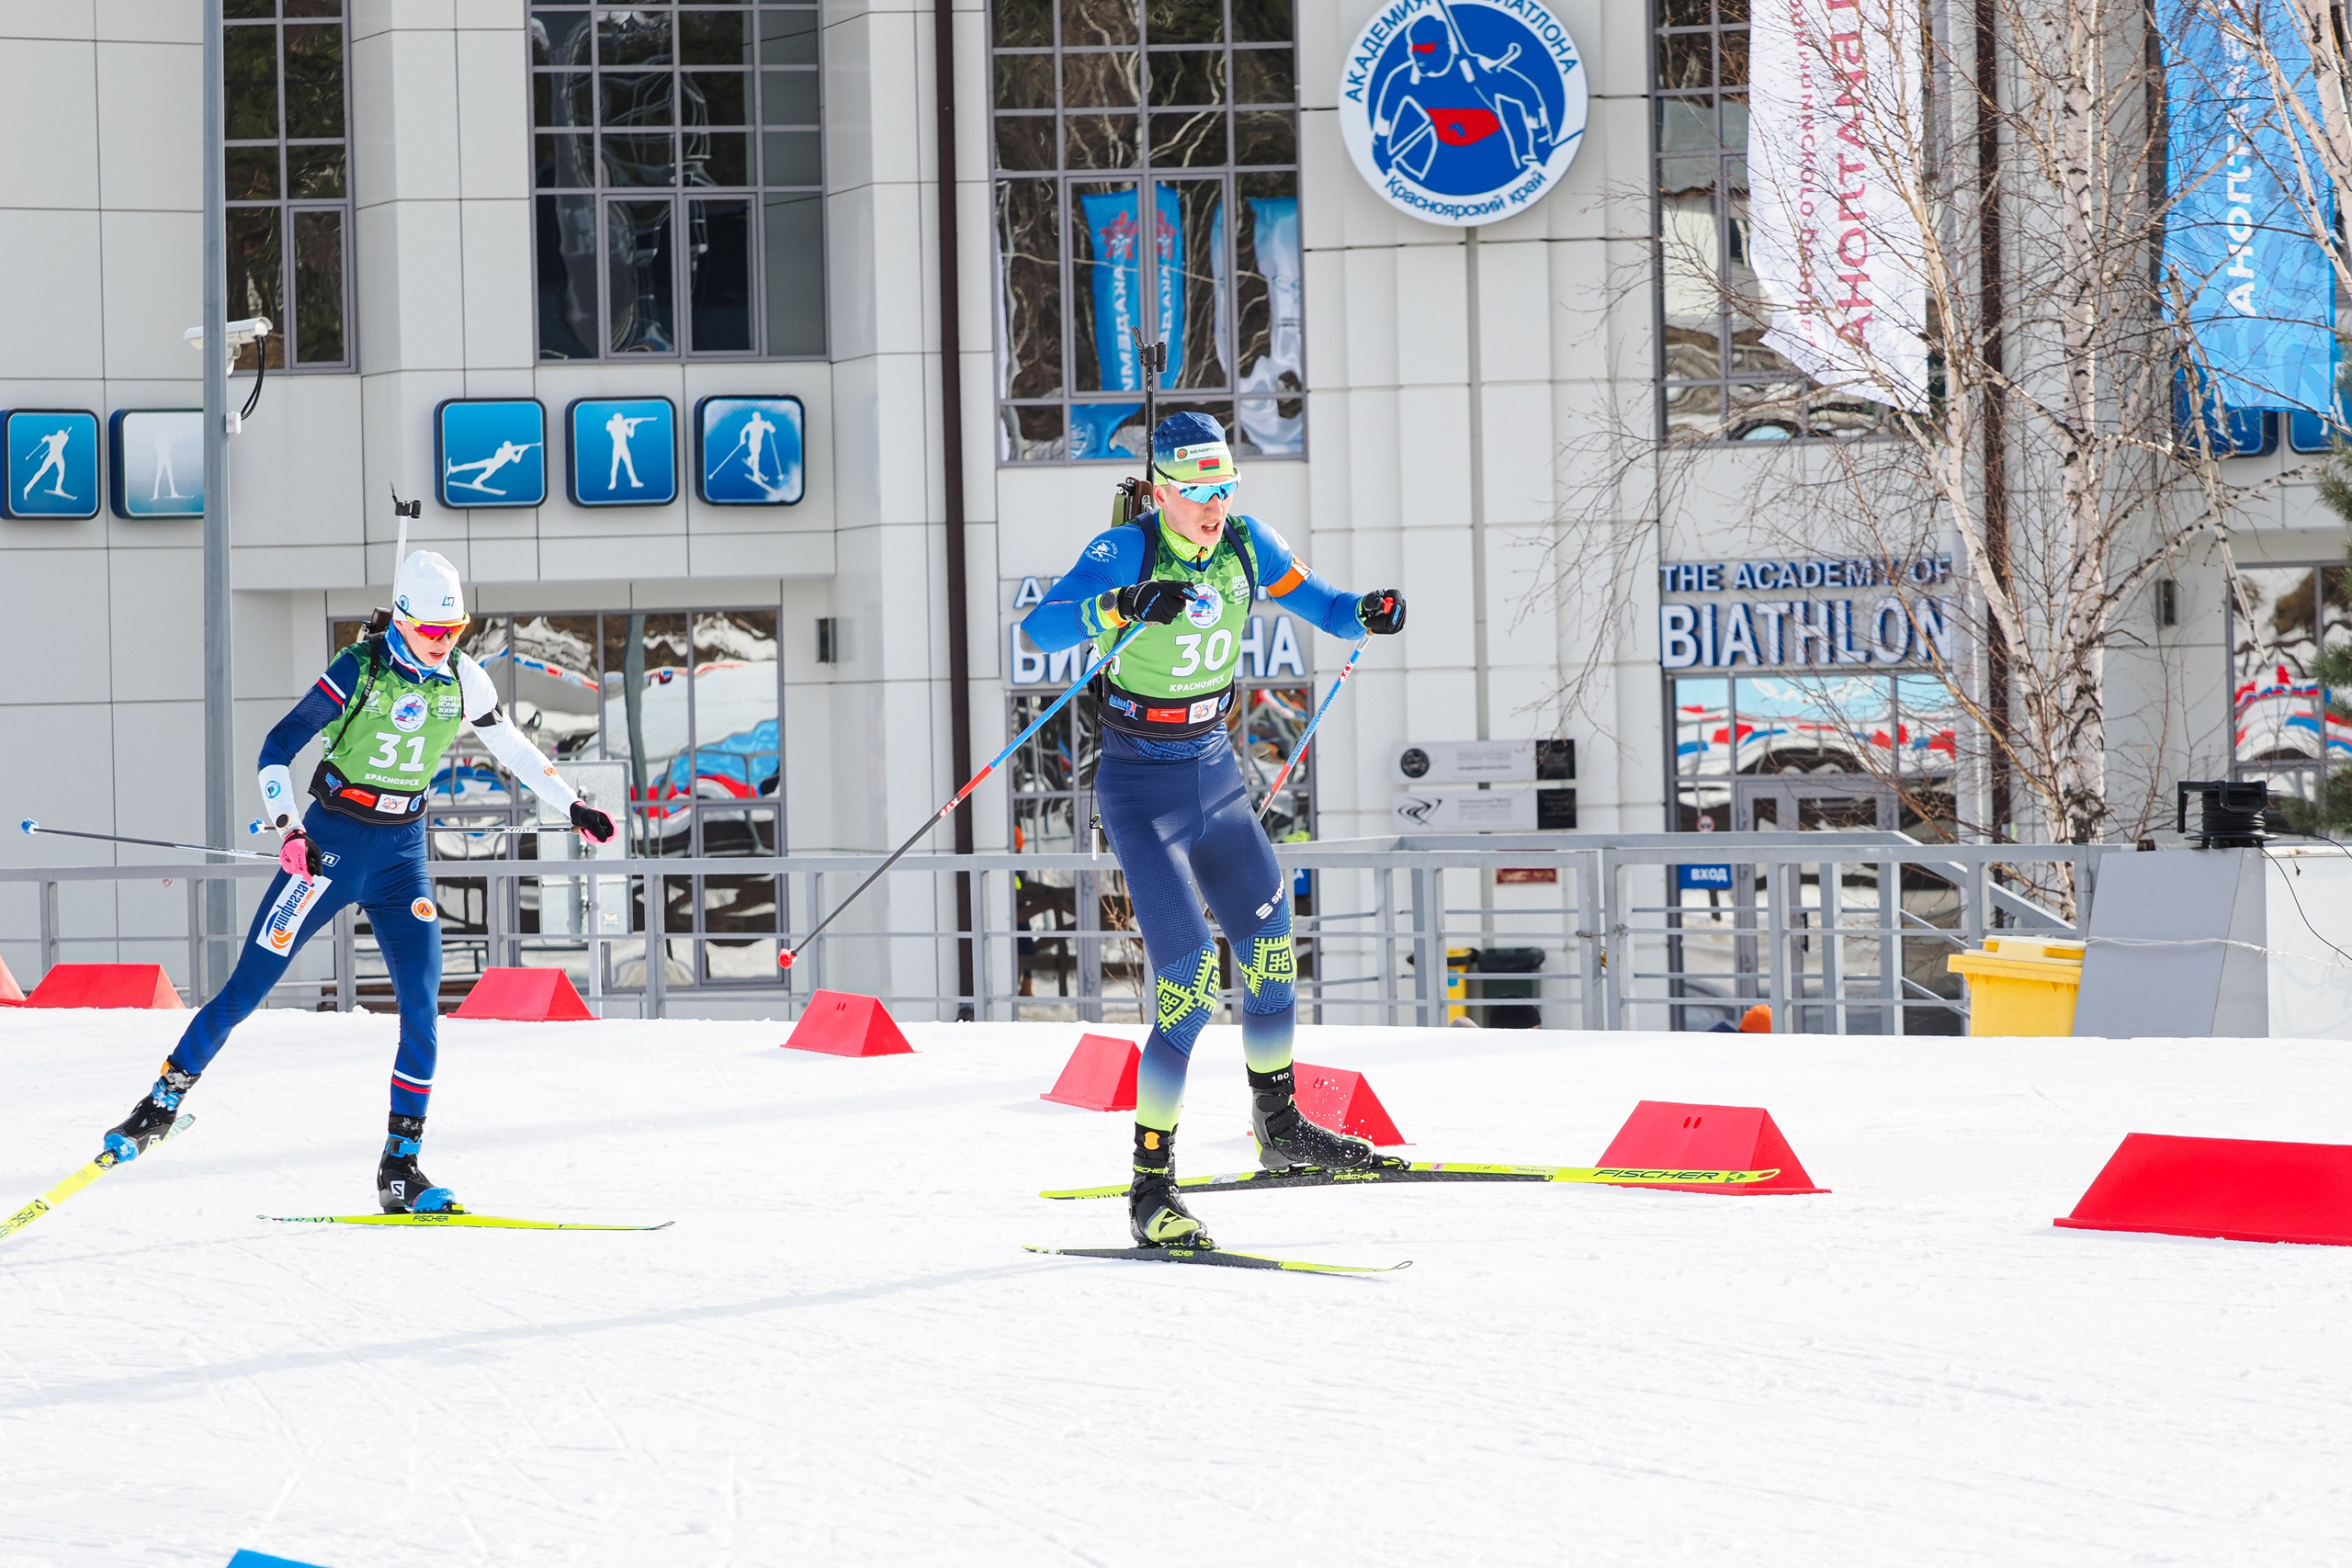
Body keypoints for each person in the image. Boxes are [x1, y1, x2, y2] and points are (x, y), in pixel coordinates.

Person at [100, 551, 616, 1213]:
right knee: (245, 987)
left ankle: (401, 1167)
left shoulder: (464, 677)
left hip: (403, 856)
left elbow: (512, 747)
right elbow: (276, 747)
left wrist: (571, 803)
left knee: (424, 1009)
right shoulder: (360, 668)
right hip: (329, 847)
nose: (444, 643)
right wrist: (289, 830)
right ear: (401, 620)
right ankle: (159, 1105)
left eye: (455, 630)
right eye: (432, 631)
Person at [1022, 412, 1408, 1247]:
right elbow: (1039, 629)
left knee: (1272, 948)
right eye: (1197, 492)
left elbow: (1331, 609)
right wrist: (1122, 604)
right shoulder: (1125, 549)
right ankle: (1150, 1186)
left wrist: (1369, 608)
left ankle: (1282, 1127)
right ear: (1162, 490)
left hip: (1215, 772)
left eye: (1224, 488)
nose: (1213, 506)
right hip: (1139, 785)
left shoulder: (1247, 544)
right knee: (1190, 981)